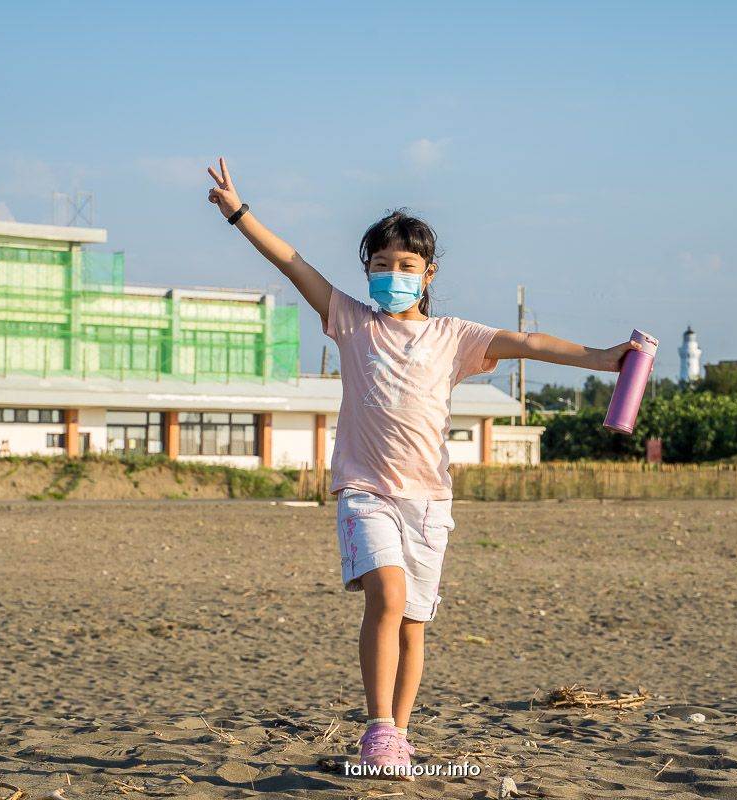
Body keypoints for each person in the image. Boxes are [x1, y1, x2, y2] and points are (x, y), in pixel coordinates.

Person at [207, 158, 640, 779]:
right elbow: (293, 263)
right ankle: (378, 728)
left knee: (413, 626)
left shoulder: (453, 337)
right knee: (385, 596)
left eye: (405, 265)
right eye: (380, 265)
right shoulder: (352, 322)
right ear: (367, 271)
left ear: (428, 273)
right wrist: (240, 213)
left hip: (430, 503)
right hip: (365, 493)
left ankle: (400, 735)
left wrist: (603, 358)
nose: (392, 275)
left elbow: (531, 345)